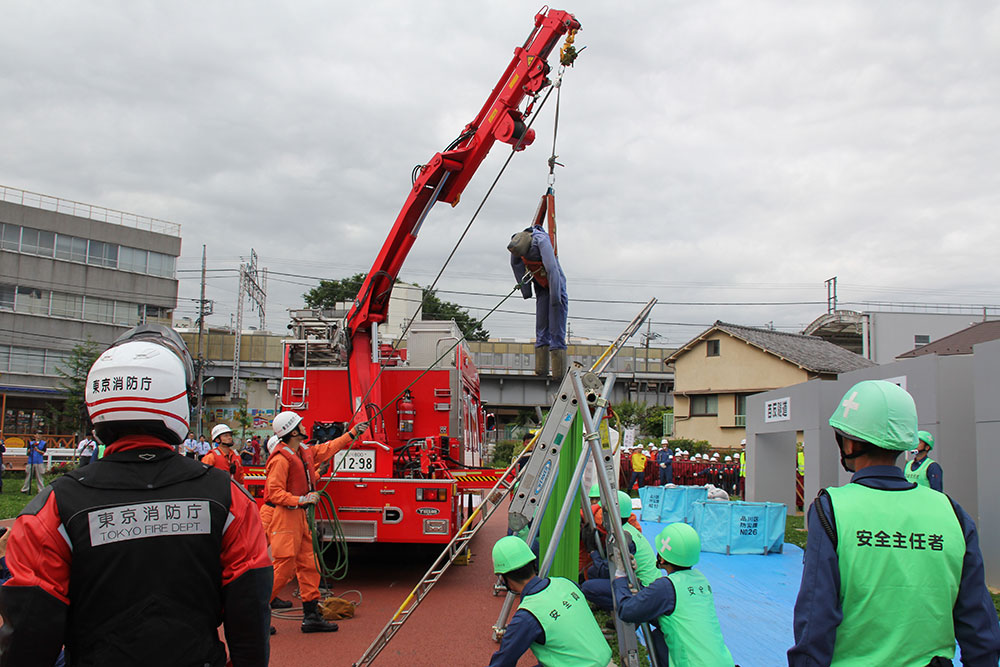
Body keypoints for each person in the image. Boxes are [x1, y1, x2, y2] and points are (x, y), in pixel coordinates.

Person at [0, 323, 272, 666]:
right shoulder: (228, 498)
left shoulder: (53, 507)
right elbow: (249, 607)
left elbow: (29, 631)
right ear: (179, 401)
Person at [788, 380, 1000, 666]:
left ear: (848, 443)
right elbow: (979, 624)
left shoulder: (831, 509)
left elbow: (815, 618)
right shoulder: (952, 512)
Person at [265, 409, 368, 633]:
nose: (304, 427)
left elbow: (328, 448)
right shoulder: (281, 460)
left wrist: (351, 434)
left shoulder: (302, 452)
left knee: (309, 565)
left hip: (300, 515)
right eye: (300, 425)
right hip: (287, 517)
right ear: (292, 432)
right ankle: (254, 614)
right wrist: (301, 499)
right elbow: (274, 493)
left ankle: (311, 616)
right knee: (284, 566)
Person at [613, 523, 734, 666]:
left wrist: (620, 575)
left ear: (662, 558)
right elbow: (667, 607)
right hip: (723, 661)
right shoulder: (700, 580)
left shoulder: (666, 586)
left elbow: (627, 611)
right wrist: (639, 585)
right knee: (659, 636)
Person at [487, 535, 612, 667]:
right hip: (603, 661)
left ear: (505, 579)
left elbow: (502, 663)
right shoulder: (566, 583)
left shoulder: (527, 615)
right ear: (533, 563)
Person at [582, 491, 662, 612]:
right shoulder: (626, 529)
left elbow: (606, 570)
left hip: (642, 588)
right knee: (593, 572)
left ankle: (624, 609)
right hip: (646, 582)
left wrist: (592, 551)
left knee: (588, 588)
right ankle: (611, 606)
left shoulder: (622, 537)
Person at [508, 222, 569, 378]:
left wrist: (556, 296)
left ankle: (558, 372)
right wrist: (526, 291)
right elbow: (516, 266)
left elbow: (552, 269)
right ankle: (541, 368)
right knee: (541, 325)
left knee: (557, 327)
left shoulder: (541, 240)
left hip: (554, 283)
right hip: (540, 284)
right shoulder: (516, 244)